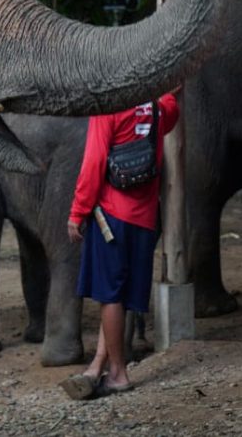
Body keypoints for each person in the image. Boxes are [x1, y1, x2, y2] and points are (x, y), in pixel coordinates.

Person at [59, 92, 179, 399]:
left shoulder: (109, 107)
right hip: (144, 218)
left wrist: (77, 211)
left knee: (109, 294)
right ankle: (98, 364)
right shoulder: (159, 106)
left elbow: (95, 160)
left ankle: (118, 373)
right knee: (122, 294)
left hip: (111, 215)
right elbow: (171, 110)